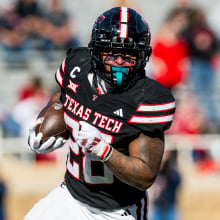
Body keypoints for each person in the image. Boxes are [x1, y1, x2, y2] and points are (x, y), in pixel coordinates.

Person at [25, 7, 176, 220]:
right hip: (70, 197)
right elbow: (62, 98)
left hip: (115, 211)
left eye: (129, 54)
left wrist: (103, 149)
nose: (120, 61)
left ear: (141, 56)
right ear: (97, 51)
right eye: (113, 52)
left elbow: (145, 175)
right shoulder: (76, 65)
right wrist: (44, 122)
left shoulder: (147, 98)